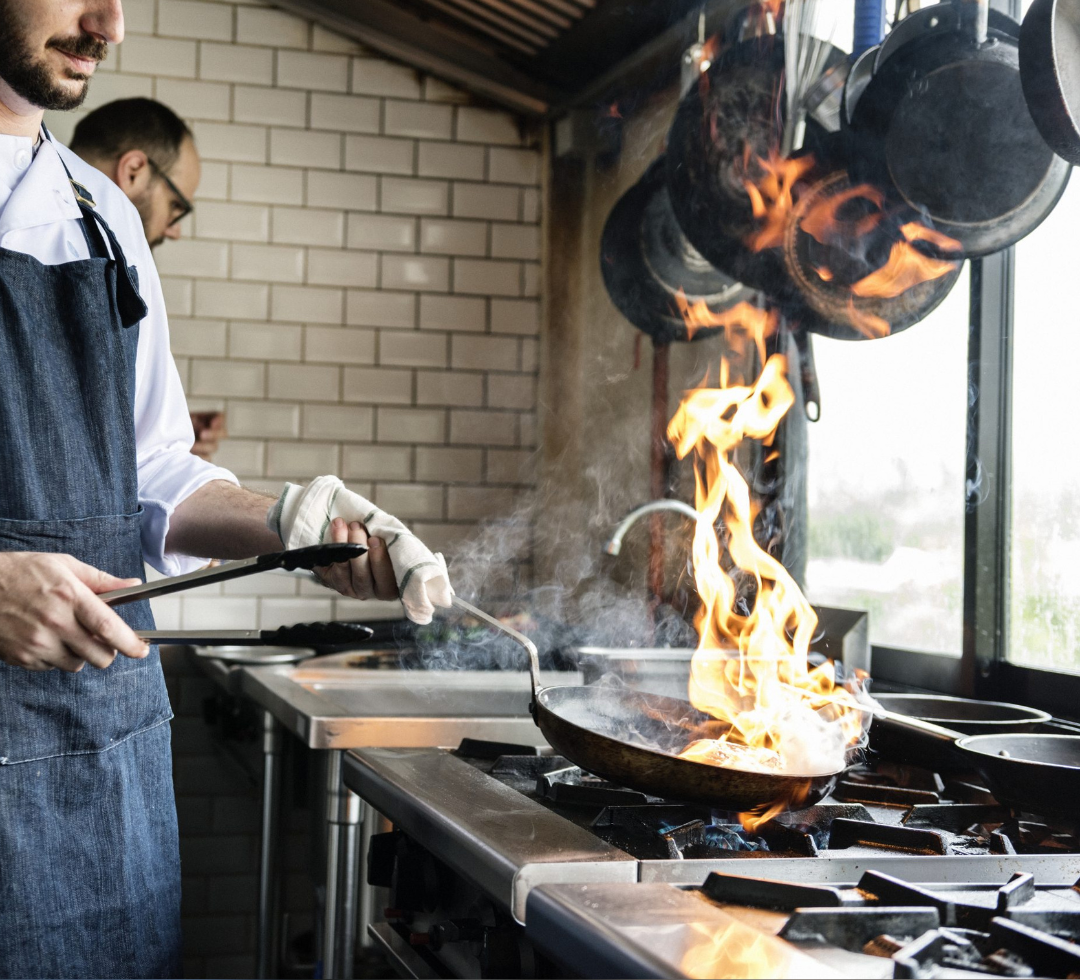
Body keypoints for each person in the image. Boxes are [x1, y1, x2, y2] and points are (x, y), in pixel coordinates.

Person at [0, 3, 452, 978]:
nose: (109, 22)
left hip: (99, 772)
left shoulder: (104, 220)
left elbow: (154, 473)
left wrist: (299, 524)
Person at [70, 96, 224, 459]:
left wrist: (157, 434)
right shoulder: (75, 266)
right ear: (134, 170)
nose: (174, 231)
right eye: (176, 207)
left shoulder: (119, 271)